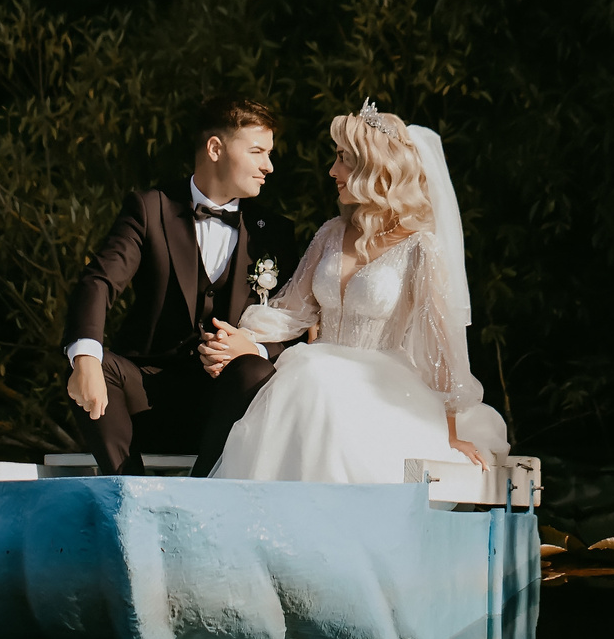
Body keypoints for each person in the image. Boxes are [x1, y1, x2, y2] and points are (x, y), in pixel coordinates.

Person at [204, 101, 508, 483]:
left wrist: (449, 434)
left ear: (375, 166)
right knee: (310, 376)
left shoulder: (420, 248)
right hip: (316, 379)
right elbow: (291, 311)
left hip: (382, 386)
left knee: (313, 375)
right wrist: (241, 338)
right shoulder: (331, 233)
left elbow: (440, 347)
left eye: (344, 159)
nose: (332, 171)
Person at [63, 98, 301, 475]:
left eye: (269, 154)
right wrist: (86, 356)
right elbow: (99, 281)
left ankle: (201, 493)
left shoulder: (274, 233)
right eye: (257, 151)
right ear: (215, 149)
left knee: (255, 369)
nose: (268, 166)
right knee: (91, 359)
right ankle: (131, 492)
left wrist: (251, 346)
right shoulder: (150, 208)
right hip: (147, 395)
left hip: (227, 407)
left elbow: (297, 328)